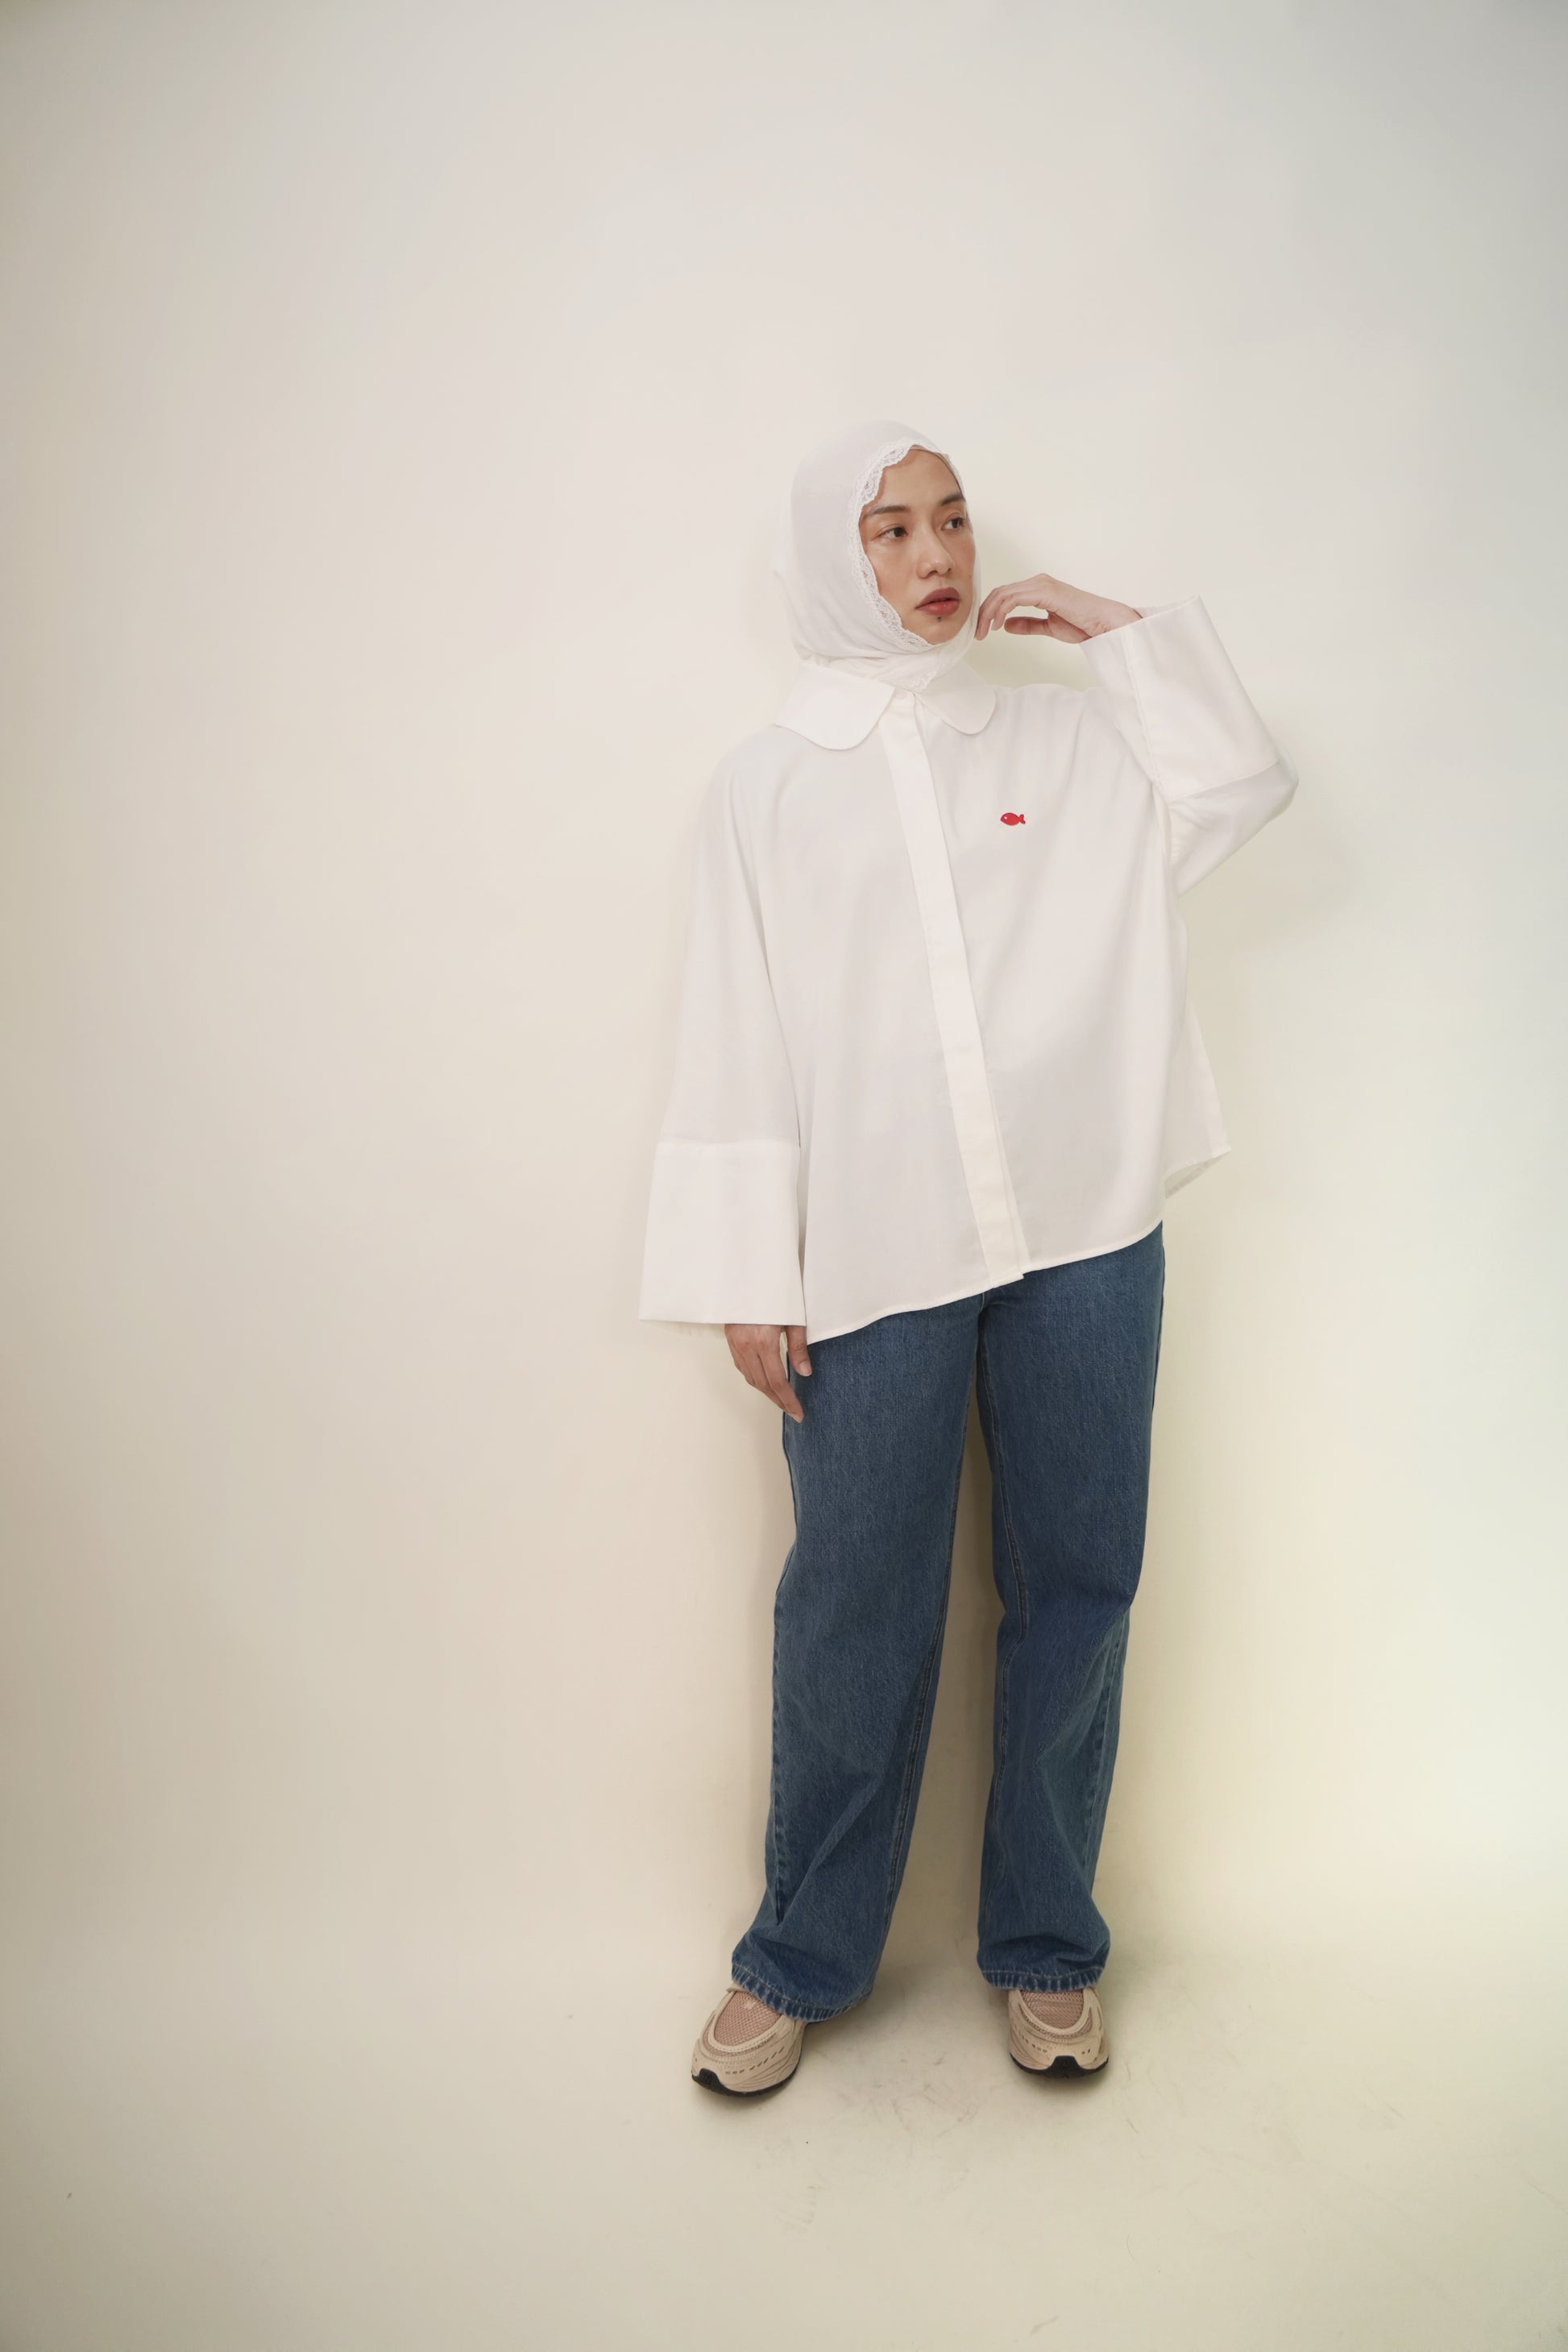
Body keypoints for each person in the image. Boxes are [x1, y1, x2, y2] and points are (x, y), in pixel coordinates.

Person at [638, 417, 1296, 2096]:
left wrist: (1113, 634)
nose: (934, 557)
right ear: (827, 555)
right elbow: (733, 1025)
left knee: (1080, 1580)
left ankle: (1047, 1947)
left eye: (949, 521)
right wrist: (748, 1263)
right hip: (875, 1244)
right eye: (888, 530)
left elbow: (1236, 786)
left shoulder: (1063, 740)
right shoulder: (768, 785)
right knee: (854, 1601)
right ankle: (800, 1956)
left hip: (1084, 1223)